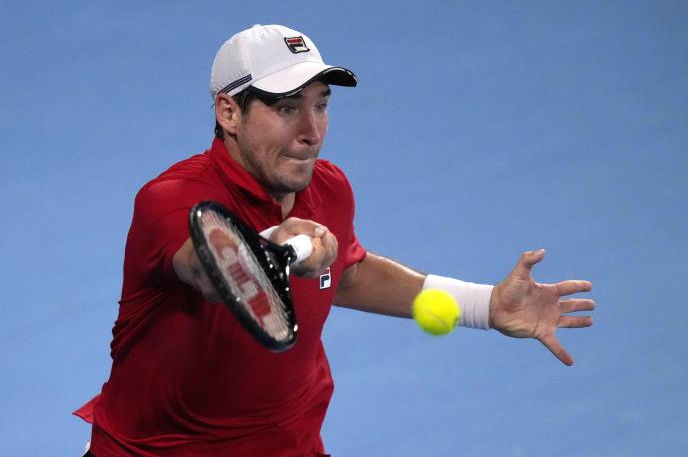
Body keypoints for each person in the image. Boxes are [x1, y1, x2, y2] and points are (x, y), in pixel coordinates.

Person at [74, 24, 595, 456]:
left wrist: (485, 305)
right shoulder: (171, 200)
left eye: (321, 105)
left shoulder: (329, 188)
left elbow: (346, 273)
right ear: (228, 112)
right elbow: (209, 270)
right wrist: (276, 242)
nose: (312, 130)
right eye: (286, 108)